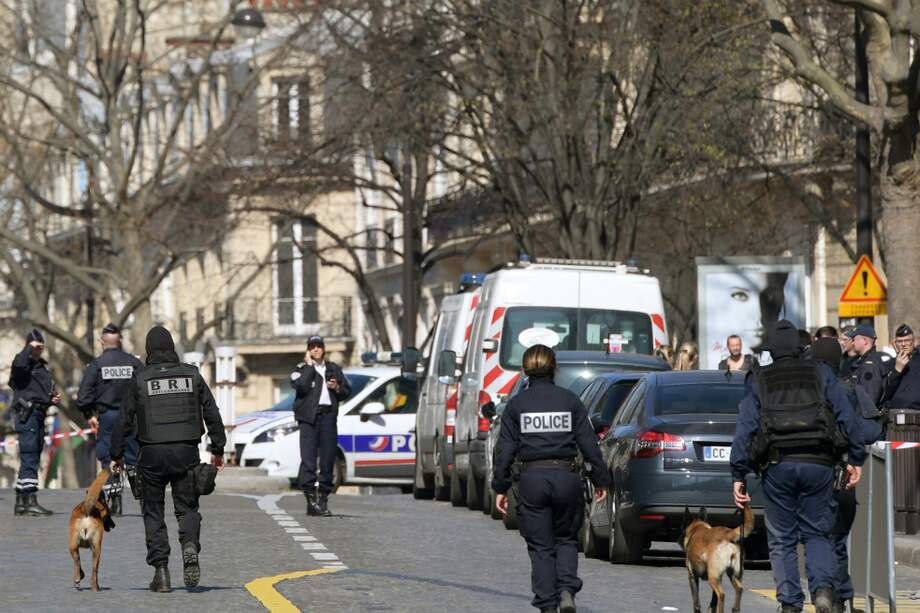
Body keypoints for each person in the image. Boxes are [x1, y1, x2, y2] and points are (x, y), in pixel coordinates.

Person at [730, 320, 866, 613]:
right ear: (800, 347)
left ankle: (790, 603)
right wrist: (856, 458)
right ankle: (822, 592)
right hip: (819, 463)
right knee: (818, 533)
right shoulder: (822, 373)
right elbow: (846, 417)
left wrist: (738, 473)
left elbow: (745, 429)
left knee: (782, 539)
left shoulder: (759, 379)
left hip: (778, 465)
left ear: (770, 350)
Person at [492, 344, 610, 613]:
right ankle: (567, 590)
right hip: (567, 477)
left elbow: (505, 450)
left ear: (525, 371)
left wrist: (500, 486)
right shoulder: (570, 401)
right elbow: (589, 444)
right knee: (566, 538)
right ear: (555, 368)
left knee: (541, 546)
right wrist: (601, 479)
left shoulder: (516, 405)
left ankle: (547, 605)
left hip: (532, 479)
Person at [110, 326, 225, 592]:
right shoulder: (192, 375)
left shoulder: (139, 379)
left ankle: (161, 573)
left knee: (153, 511)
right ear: (172, 348)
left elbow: (123, 420)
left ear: (149, 351)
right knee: (187, 508)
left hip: (151, 455)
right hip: (186, 453)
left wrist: (116, 455)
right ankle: (189, 545)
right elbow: (212, 412)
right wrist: (218, 448)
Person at [813, 337, 883, 613]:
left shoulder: (801, 390)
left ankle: (820, 592)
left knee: (814, 537)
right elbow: (871, 431)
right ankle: (840, 597)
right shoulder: (848, 389)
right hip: (841, 472)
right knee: (838, 538)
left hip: (810, 472)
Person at [77, 323, 144, 515]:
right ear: (120, 340)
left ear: (101, 342)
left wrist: (89, 415)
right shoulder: (133, 362)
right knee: (133, 457)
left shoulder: (97, 365)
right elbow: (145, 386)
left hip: (108, 417)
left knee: (109, 458)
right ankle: (142, 497)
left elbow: (83, 395)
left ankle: (115, 502)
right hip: (131, 416)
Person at [291, 335, 350, 517]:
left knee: (327, 459)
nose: (316, 349)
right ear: (308, 350)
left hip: (328, 418)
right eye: (312, 347)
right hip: (309, 419)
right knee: (308, 460)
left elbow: (347, 390)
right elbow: (300, 386)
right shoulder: (301, 369)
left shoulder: (333, 369)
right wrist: (309, 367)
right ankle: (310, 501)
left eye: (319, 346)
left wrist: (337, 387)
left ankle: (323, 500)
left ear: (324, 349)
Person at [9, 328, 60, 516]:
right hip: (28, 415)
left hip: (39, 414)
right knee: (30, 456)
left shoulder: (41, 366)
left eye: (41, 347)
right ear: (29, 346)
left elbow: (38, 392)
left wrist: (50, 400)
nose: (40, 351)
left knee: (32, 458)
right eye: (37, 347)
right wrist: (28, 349)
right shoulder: (22, 364)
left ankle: (21, 501)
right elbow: (19, 368)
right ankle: (30, 499)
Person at [843, 324, 894, 405]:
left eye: (854, 339)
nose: (852, 343)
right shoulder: (862, 360)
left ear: (864, 341)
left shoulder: (870, 365)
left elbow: (868, 400)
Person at [883, 324, 920, 409]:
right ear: (894, 344)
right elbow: (885, 393)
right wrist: (897, 370)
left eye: (907, 340)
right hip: (895, 413)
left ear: (914, 342)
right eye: (900, 341)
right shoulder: (888, 364)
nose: (903, 344)